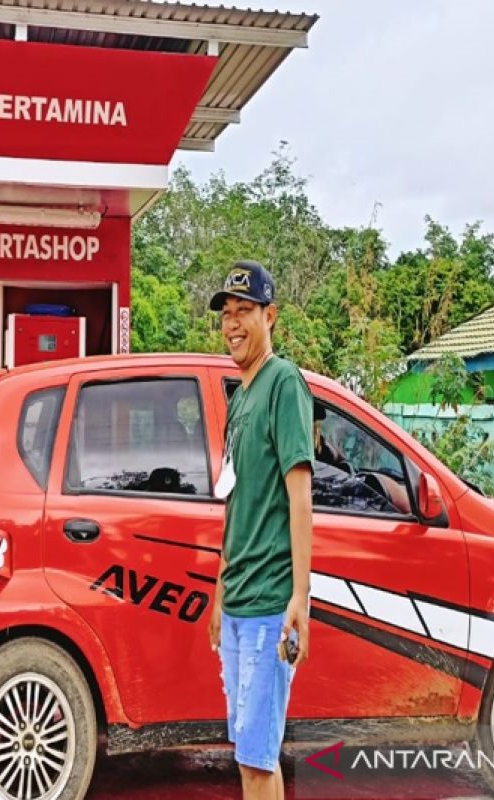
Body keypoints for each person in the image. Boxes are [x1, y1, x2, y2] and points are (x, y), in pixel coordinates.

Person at [208, 261, 314, 800]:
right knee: (249, 755)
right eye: (227, 314)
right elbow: (236, 503)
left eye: (244, 311)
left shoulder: (283, 384)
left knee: (256, 759)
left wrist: (301, 596)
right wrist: (219, 592)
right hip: (238, 605)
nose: (233, 323)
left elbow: (300, 497)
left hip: (271, 605)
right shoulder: (240, 398)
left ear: (270, 315)